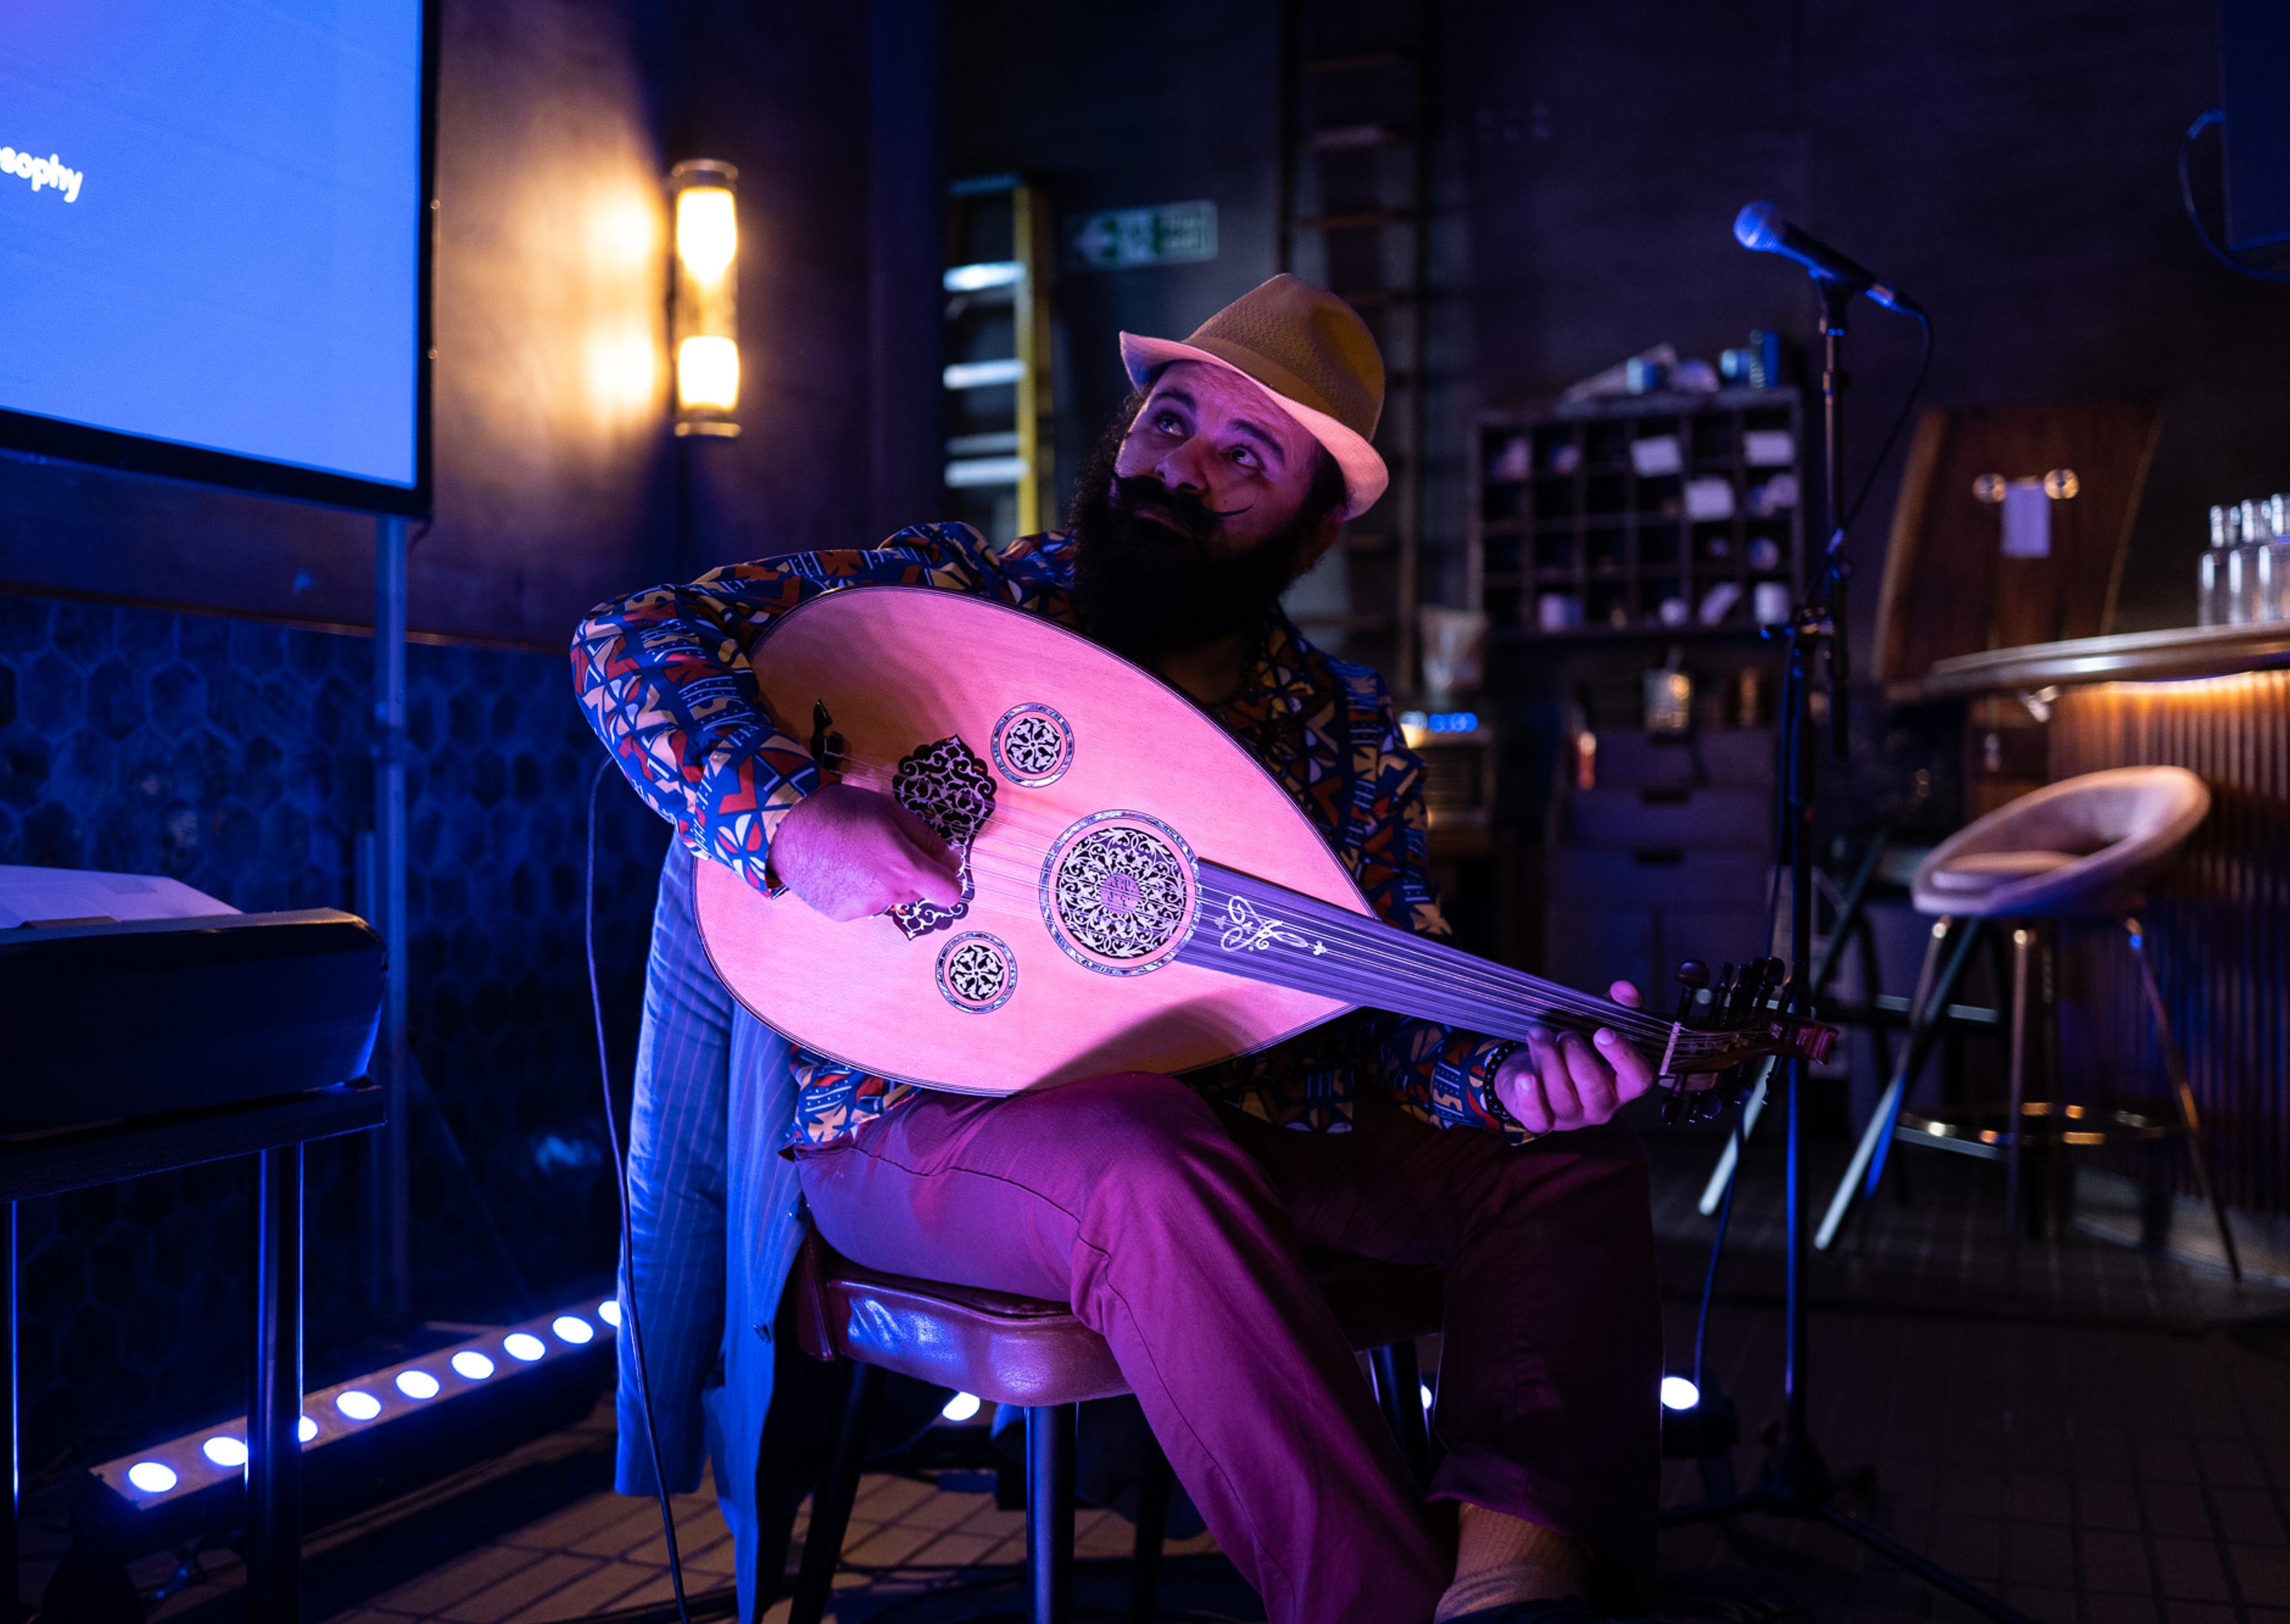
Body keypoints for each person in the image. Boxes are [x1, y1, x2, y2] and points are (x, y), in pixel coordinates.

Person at [574, 274, 1662, 1623]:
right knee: (1149, 1153)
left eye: (1243, 456)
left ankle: (1508, 1588)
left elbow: (1381, 1008)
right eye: (1169, 418)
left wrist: (1504, 1083)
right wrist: (792, 820)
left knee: (1562, 1154)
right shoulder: (965, 592)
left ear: (1317, 526)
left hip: (1228, 1120)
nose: (1178, 464)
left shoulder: (1340, 730)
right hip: (917, 1120)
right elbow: (627, 638)